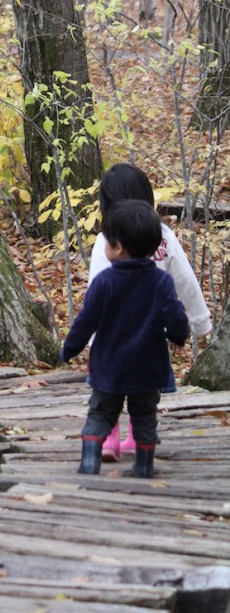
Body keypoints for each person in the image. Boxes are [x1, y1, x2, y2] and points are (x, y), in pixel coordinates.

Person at [89, 163, 211, 460]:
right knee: (144, 390)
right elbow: (185, 282)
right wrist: (201, 323)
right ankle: (137, 434)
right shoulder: (164, 236)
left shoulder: (107, 241)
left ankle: (110, 438)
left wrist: (92, 338)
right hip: (151, 334)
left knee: (106, 390)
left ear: (107, 203)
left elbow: (96, 291)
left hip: (113, 336)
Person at [61, 199, 190, 478]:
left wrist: (69, 349)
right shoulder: (160, 282)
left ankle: (89, 462)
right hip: (148, 368)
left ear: (117, 247)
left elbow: (86, 321)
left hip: (109, 366)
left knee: (100, 413)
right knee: (144, 416)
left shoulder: (104, 282)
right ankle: (144, 466)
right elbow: (175, 315)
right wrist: (180, 336)